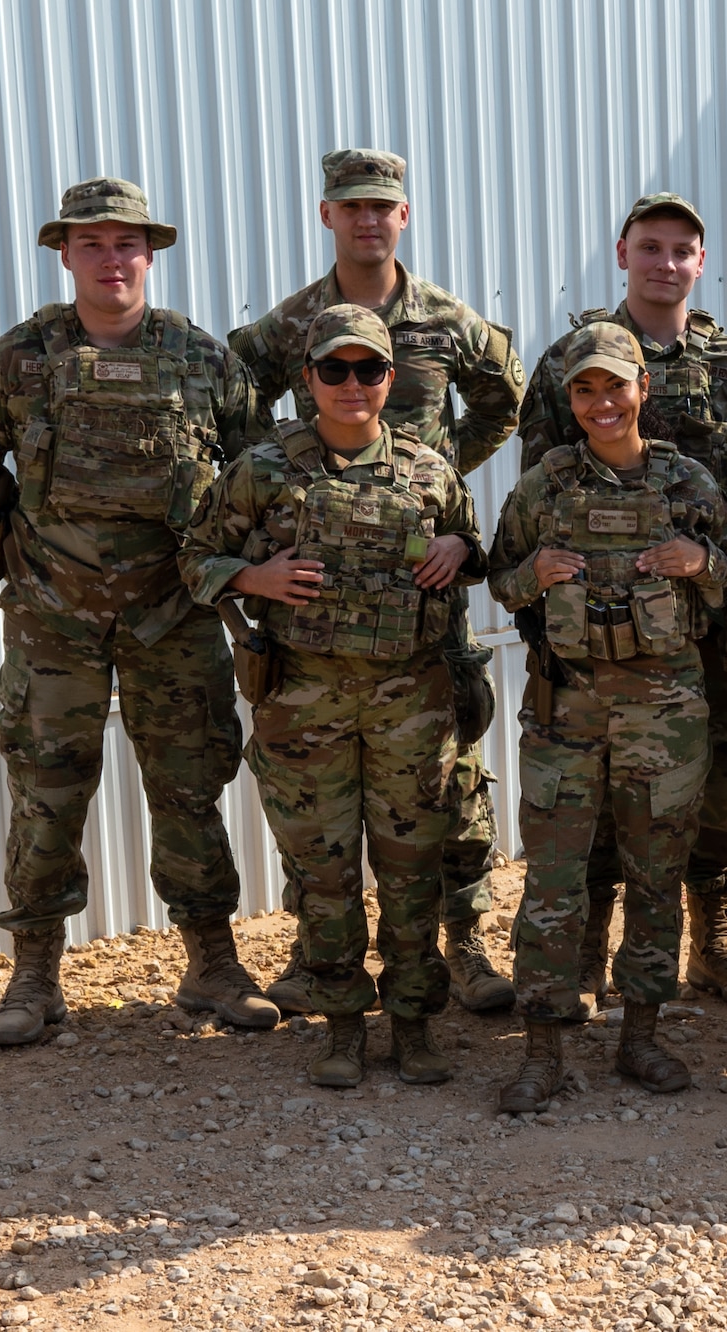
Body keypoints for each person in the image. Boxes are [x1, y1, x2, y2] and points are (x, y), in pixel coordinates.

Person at [0, 177, 275, 1047]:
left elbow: (254, 479)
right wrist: (18, 557)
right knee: (46, 796)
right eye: (93, 244)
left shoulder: (203, 360)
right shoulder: (16, 359)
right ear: (65, 254)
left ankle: (212, 963)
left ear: (150, 253)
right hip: (56, 625)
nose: (111, 259)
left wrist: (220, 576)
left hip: (176, 620)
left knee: (191, 790)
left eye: (126, 243)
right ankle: (36, 975)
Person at [230, 149, 524, 1016]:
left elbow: (501, 398)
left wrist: (434, 479)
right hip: (320, 610)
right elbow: (235, 406)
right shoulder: (291, 326)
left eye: (383, 206)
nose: (369, 220)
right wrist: (288, 498)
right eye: (352, 206)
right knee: (311, 785)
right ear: (328, 215)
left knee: (450, 770)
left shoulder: (443, 319)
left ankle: (462, 941)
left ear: (405, 215)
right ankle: (318, 954)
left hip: (423, 596)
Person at [180, 305, 485, 1088]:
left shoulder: (427, 468)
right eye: (334, 370)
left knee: (414, 867)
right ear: (308, 376)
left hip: (410, 704)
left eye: (370, 370)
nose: (353, 386)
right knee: (323, 869)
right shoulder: (264, 468)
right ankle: (345, 1024)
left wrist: (459, 546)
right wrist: (252, 578)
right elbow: (195, 556)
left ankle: (413, 1023)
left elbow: (473, 549)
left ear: (391, 377)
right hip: (304, 704)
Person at [518, 194, 727, 1013]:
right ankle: (587, 956)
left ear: (699, 264)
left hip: (698, 630)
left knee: (709, 788)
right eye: (651, 247)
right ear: (624, 254)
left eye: (682, 251)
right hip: (589, 634)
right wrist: (545, 623)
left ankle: (715, 942)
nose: (665, 263)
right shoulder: (572, 357)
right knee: (588, 796)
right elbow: (536, 494)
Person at [485, 322, 727, 1110]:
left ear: (643, 390)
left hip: (666, 718)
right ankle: (544, 1048)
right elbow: (497, 576)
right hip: (566, 713)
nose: (603, 402)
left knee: (655, 878)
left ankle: (641, 1036)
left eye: (615, 386)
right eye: (586, 390)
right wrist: (534, 572)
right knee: (554, 882)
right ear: (570, 400)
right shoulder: (545, 486)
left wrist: (703, 564)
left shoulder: (689, 484)